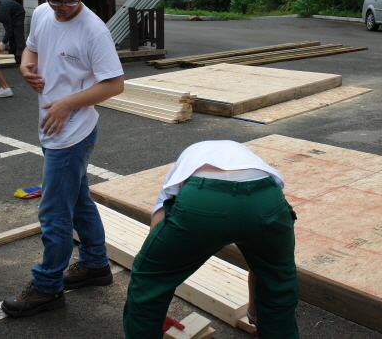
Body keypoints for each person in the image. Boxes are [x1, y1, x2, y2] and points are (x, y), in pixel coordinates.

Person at [1, 0, 124, 318]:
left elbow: (114, 84)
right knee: (79, 201)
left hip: (72, 134)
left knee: (54, 211)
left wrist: (67, 104)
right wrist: (25, 64)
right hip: (52, 126)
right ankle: (95, 265)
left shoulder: (93, 31)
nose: (63, 7)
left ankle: (47, 286)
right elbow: (33, 47)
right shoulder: (43, 13)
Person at [123, 140, 299, 339]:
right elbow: (263, 264)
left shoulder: (183, 165)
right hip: (265, 198)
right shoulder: (250, 160)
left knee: (149, 278)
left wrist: (153, 309)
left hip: (204, 198)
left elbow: (157, 240)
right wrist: (254, 312)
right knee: (277, 280)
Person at [0, 0, 26, 64]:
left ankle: (20, 56)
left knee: (18, 35)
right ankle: (12, 53)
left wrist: (3, 42)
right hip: (9, 13)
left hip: (18, 13)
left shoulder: (1, 12)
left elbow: (8, 29)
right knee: (11, 35)